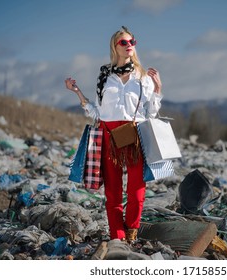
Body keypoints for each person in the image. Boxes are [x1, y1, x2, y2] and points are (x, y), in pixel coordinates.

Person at [64, 26, 163, 242]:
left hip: (134, 135)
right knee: (113, 191)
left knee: (136, 189)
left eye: (132, 42)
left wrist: (157, 89)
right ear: (115, 47)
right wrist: (77, 93)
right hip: (108, 133)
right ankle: (117, 235)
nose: (129, 46)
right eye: (124, 43)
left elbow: (151, 113)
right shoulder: (104, 76)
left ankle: (132, 230)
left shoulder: (143, 77)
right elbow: (98, 112)